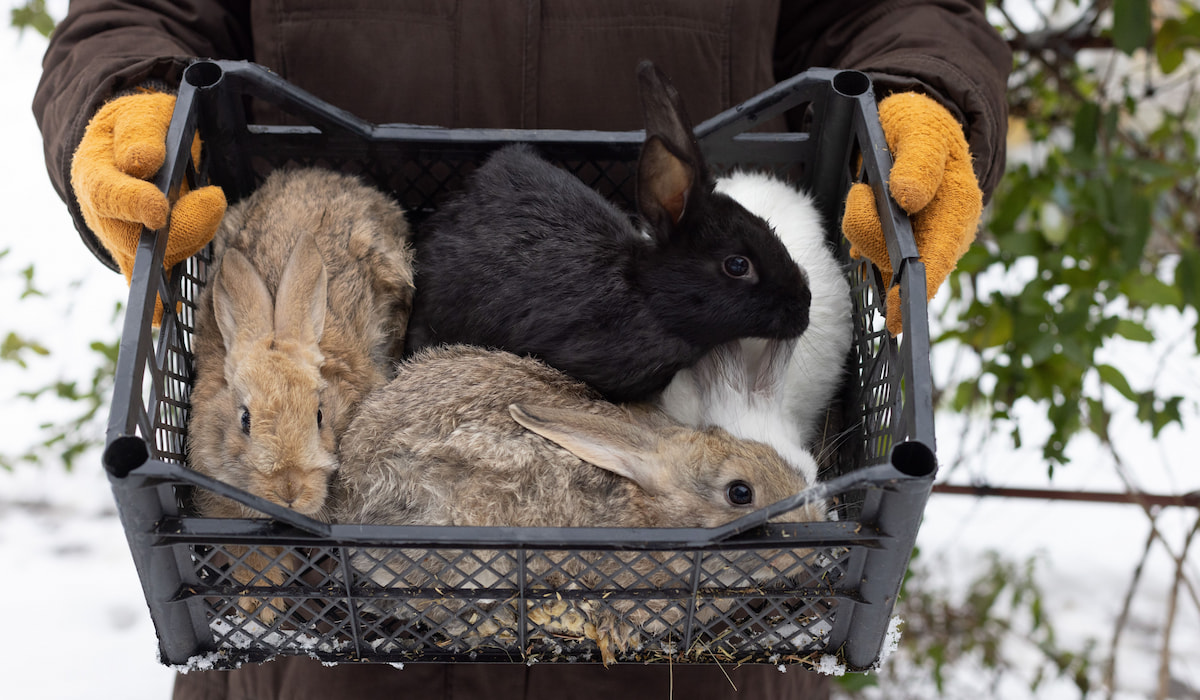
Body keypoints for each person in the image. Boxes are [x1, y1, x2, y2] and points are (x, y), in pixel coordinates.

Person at [34, 1, 1011, 698]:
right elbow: (138, 15)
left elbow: (889, 15)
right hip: (321, 650)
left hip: (696, 653)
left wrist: (922, 95)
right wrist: (125, 98)